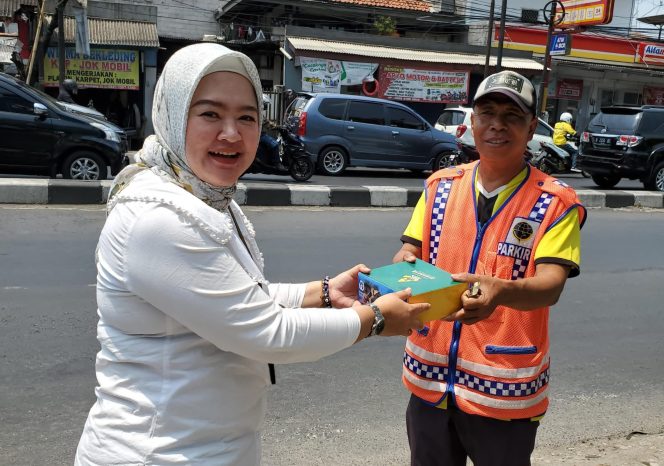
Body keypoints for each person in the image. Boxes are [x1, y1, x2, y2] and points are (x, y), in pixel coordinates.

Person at [74, 42, 428, 466]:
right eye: (209, 114)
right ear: (172, 114)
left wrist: (324, 292)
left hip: (209, 446)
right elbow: (266, 333)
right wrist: (376, 319)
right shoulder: (159, 217)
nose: (231, 133)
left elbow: (239, 296)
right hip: (156, 453)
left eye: (247, 116)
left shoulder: (207, 199)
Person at [392, 70, 587, 466]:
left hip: (503, 392)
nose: (498, 124)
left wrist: (499, 290)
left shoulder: (555, 203)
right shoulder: (440, 186)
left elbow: (550, 285)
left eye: (512, 116)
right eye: (487, 113)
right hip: (429, 383)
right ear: (471, 122)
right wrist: (401, 269)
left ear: (531, 127)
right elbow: (410, 250)